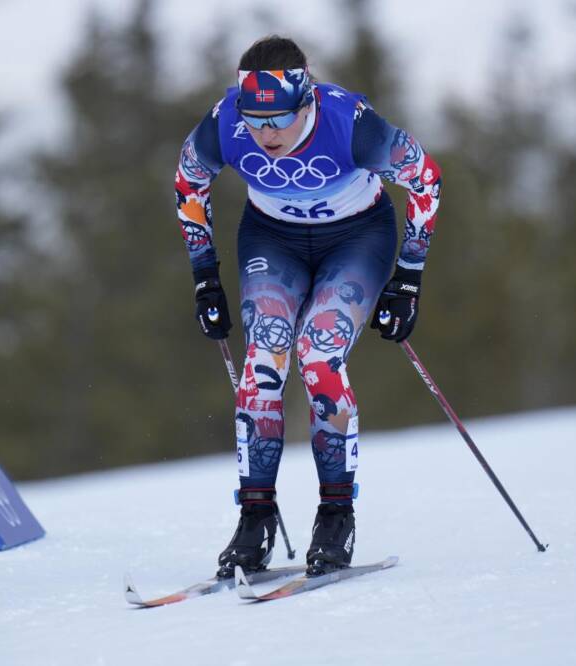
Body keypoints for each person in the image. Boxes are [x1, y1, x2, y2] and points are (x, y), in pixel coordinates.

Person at [174, 35, 441, 578]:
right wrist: (205, 277)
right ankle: (255, 518)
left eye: (279, 119)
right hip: (274, 241)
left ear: (308, 101)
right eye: (255, 119)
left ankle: (336, 514)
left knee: (319, 358)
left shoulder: (351, 124)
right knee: (263, 362)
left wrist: (408, 277)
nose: (265, 134)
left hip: (356, 239)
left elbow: (426, 181)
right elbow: (187, 183)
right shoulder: (225, 121)